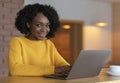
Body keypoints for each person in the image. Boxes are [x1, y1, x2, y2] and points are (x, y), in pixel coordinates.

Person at [8, 3, 71, 76]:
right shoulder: (17, 42)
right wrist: (53, 70)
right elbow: (15, 69)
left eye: (47, 25)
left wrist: (70, 69)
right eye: (38, 25)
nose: (44, 29)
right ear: (28, 24)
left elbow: (61, 63)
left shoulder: (48, 43)